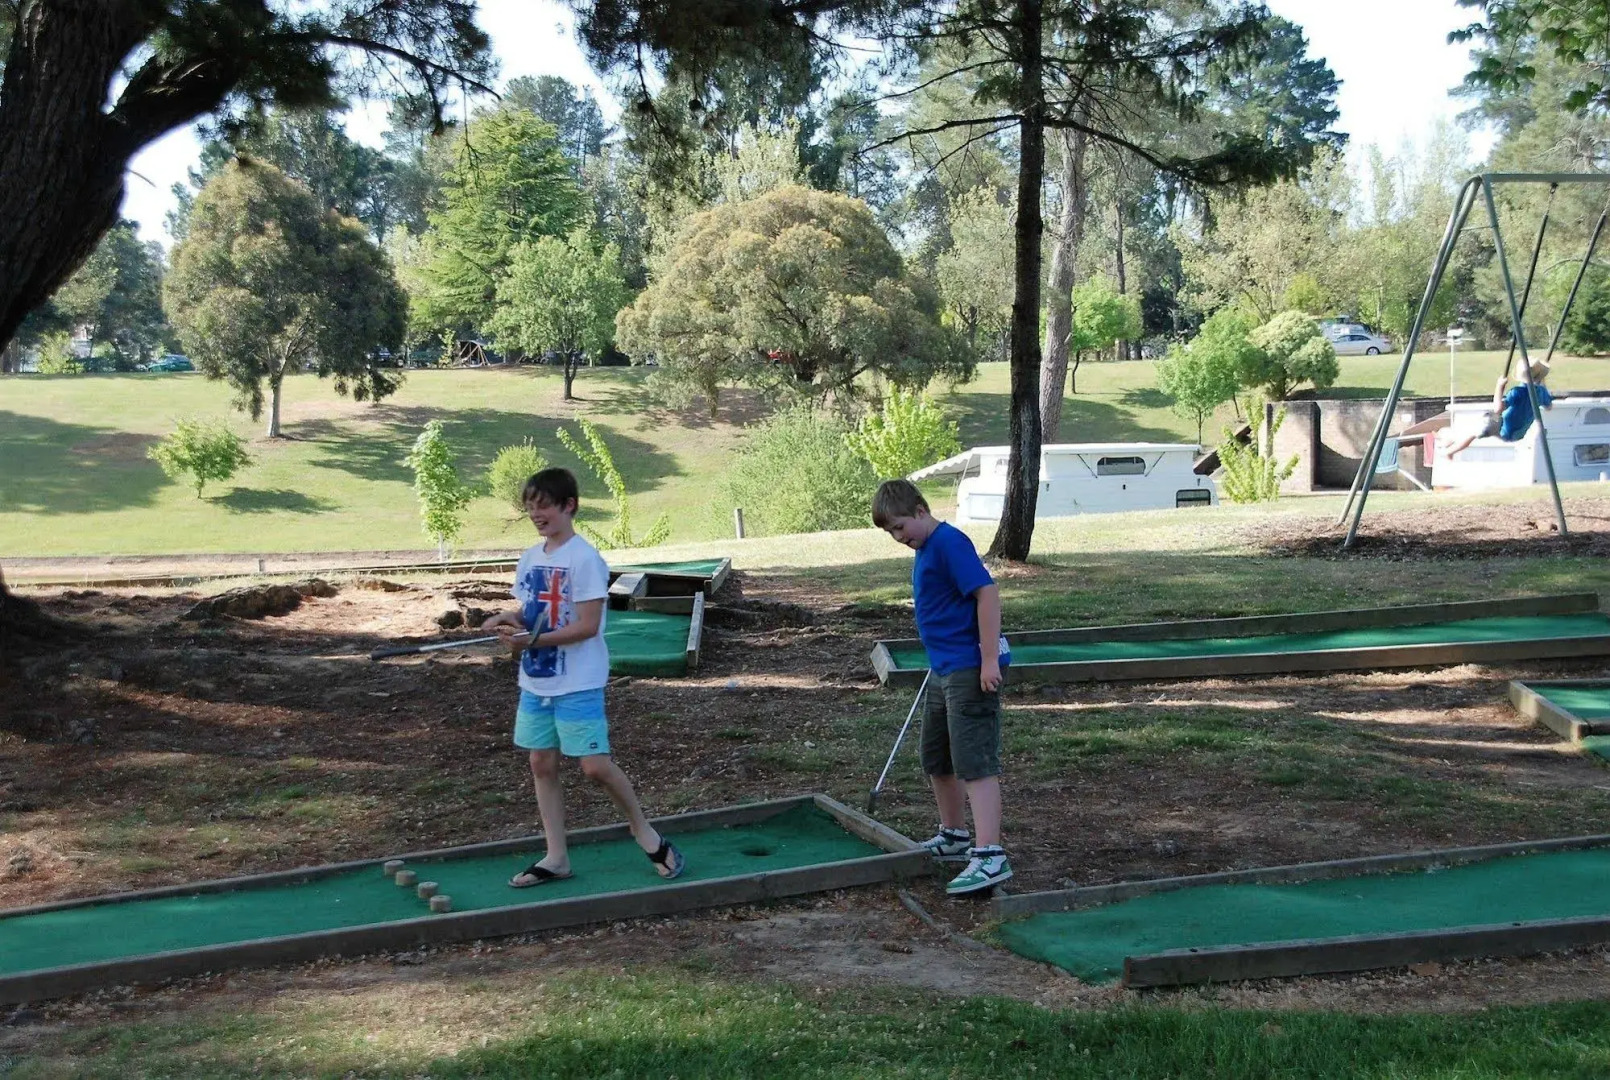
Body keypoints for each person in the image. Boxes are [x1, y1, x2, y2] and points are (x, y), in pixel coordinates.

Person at [482, 468, 684, 887]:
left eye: (544, 506)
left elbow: (588, 625)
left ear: (568, 506)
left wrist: (531, 641)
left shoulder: (586, 559)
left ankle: (645, 833)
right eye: (530, 508)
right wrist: (511, 617)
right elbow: (535, 614)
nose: (537, 515)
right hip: (536, 681)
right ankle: (557, 857)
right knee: (541, 763)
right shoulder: (530, 557)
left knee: (593, 766)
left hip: (578, 680)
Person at [872, 478, 1013, 895]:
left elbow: (986, 594)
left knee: (974, 761)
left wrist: (988, 659)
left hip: (970, 668)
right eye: (890, 533)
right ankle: (954, 836)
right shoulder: (925, 548)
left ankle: (990, 856)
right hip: (944, 669)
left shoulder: (950, 542)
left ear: (920, 510)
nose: (899, 538)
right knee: (936, 757)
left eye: (900, 527)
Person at [1444, 362, 1554, 458]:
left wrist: (1499, 387)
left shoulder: (1517, 392)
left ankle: (1451, 451)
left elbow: (1498, 408)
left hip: (1504, 430)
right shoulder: (1541, 392)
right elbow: (1549, 407)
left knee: (1477, 427)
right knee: (1482, 420)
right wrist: (1543, 386)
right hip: (1519, 433)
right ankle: (1452, 441)